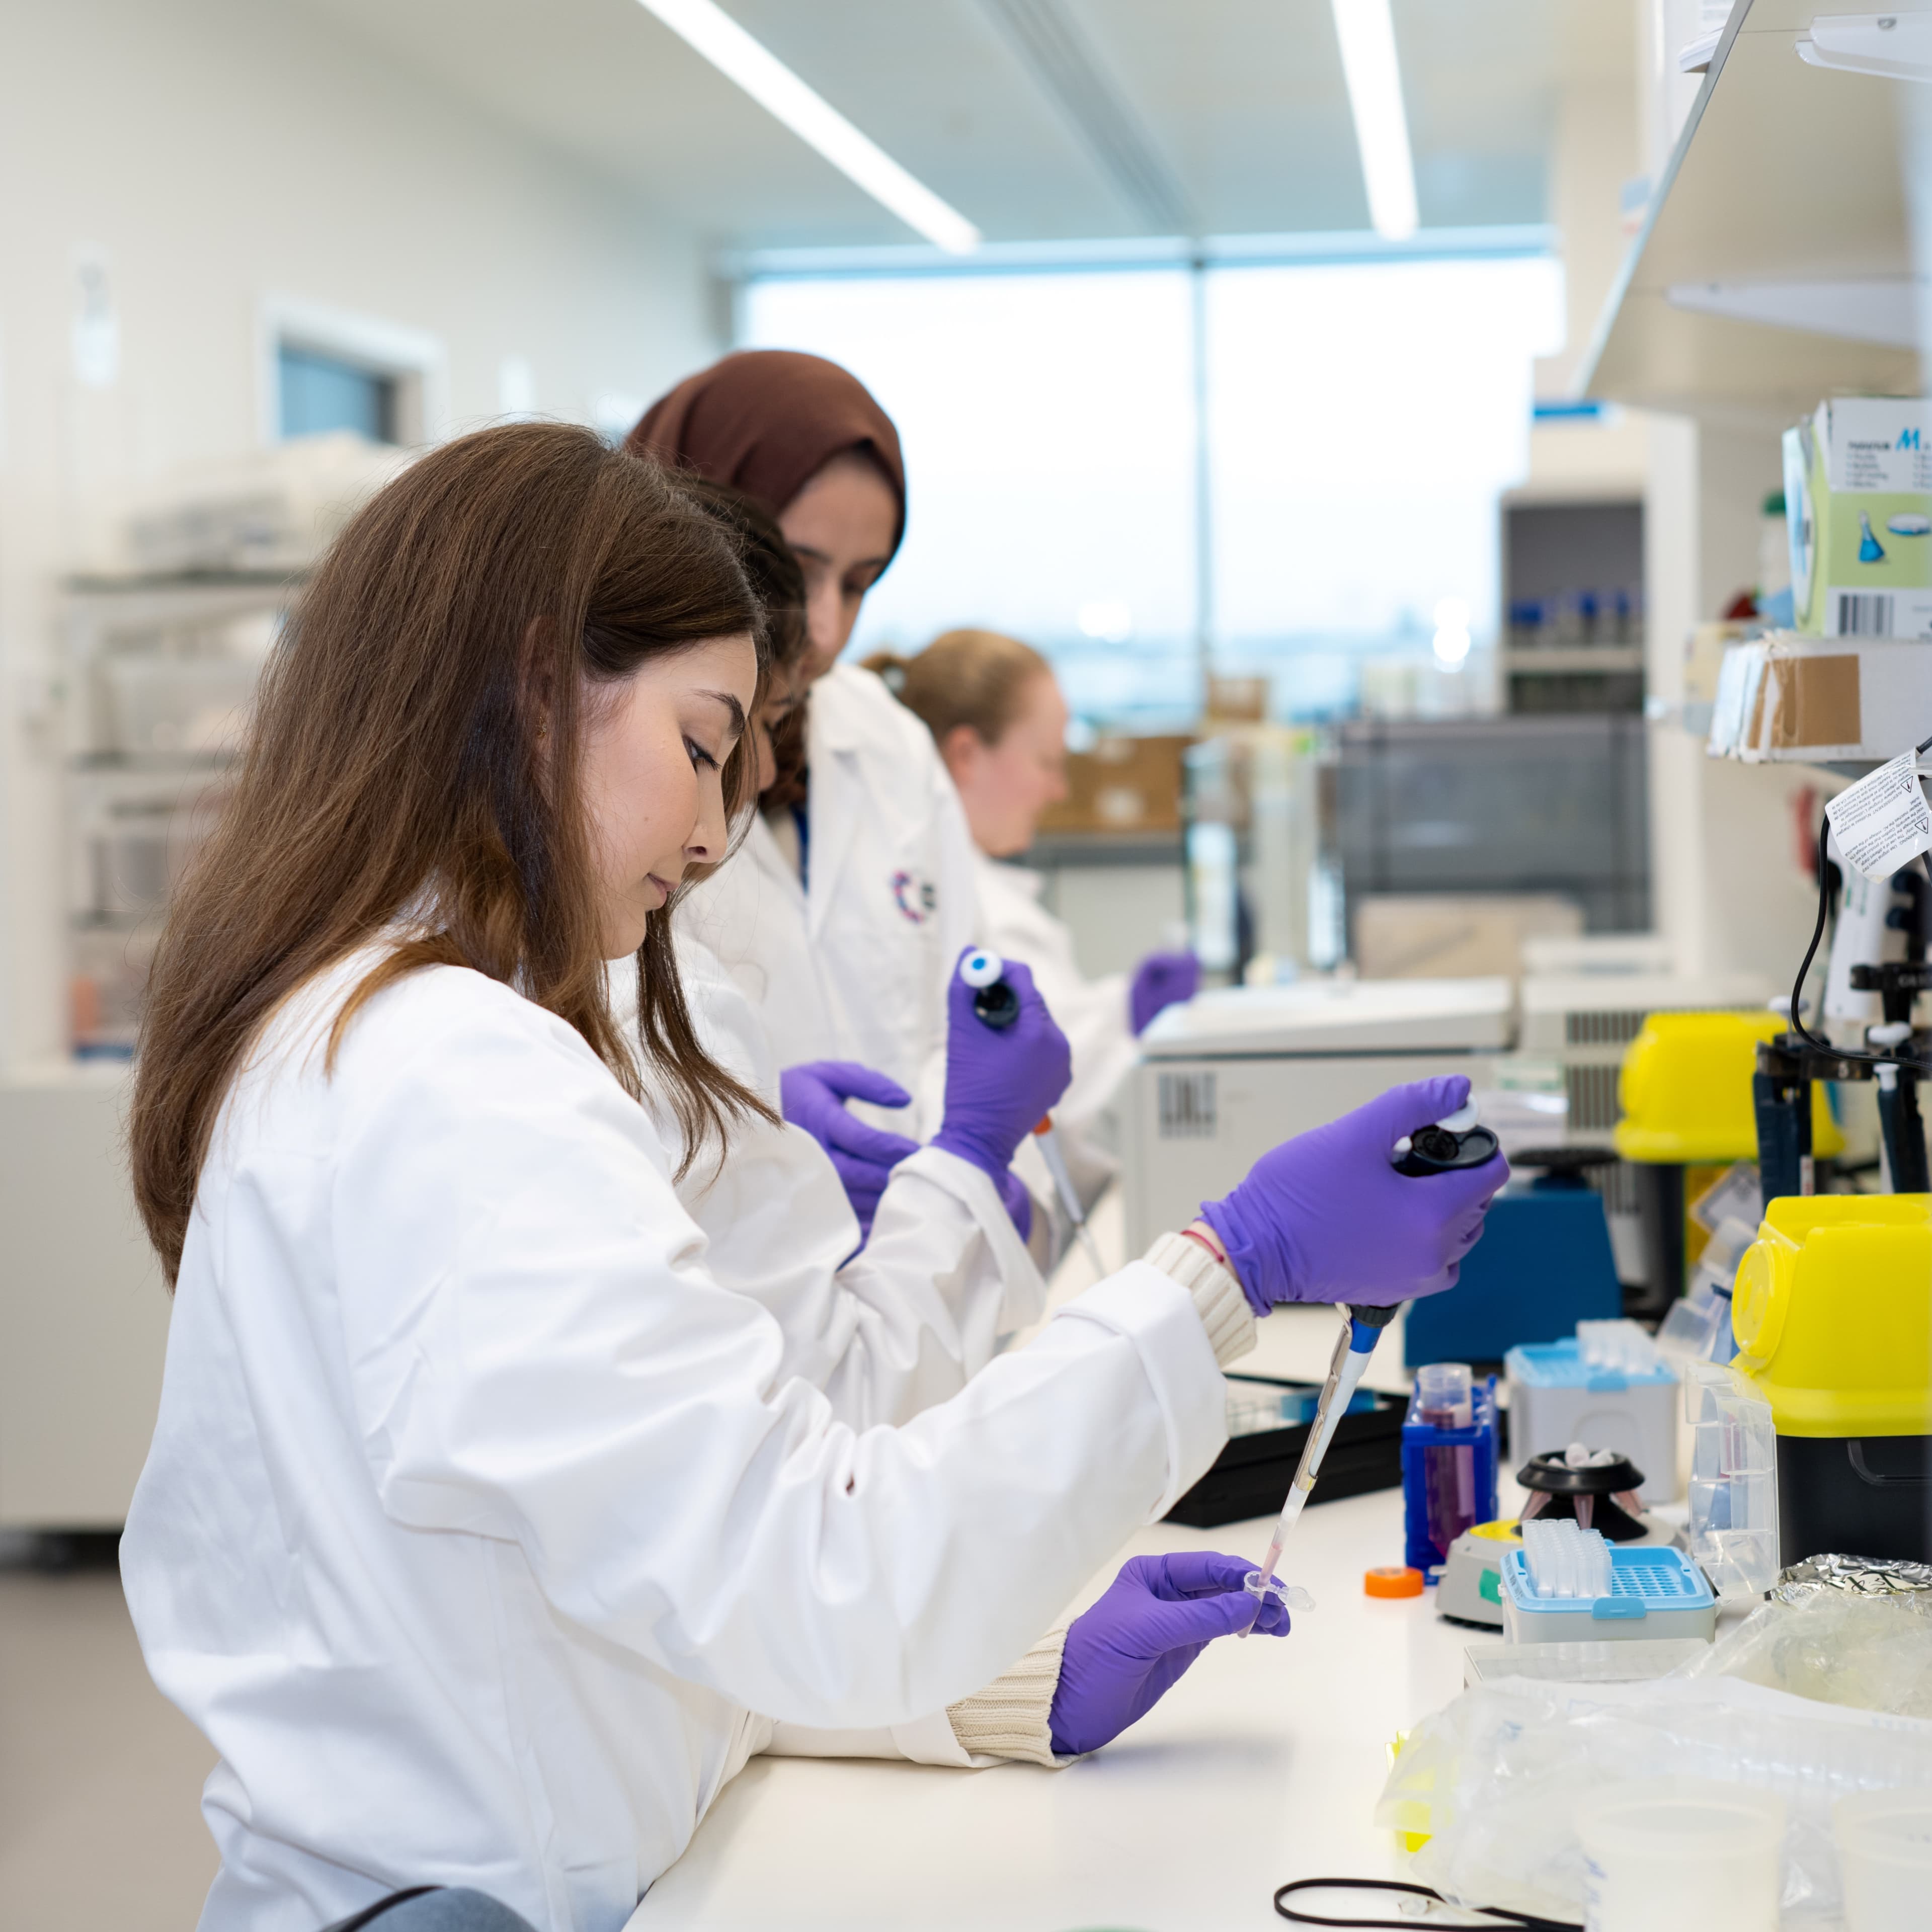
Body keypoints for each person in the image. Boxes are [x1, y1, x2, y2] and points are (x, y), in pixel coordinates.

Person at [117, 424, 1505, 1932]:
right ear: (528, 687)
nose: (716, 833)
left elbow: (607, 1601)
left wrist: (1002, 1687)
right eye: (703, 745)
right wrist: (1231, 1263)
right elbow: (822, 1565)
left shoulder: (360, 1029)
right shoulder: (452, 1080)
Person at [627, 352, 1003, 1233]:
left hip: (905, 1265)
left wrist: (958, 1161)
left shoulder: (886, 744)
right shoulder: (607, 768)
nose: (827, 629)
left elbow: (965, 1006)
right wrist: (750, 1137)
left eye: (861, 583)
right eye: (796, 569)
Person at [871, 628, 1198, 1205]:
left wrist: (1125, 1007)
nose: (1057, 789)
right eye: (1048, 762)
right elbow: (1061, 1096)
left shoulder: (981, 889)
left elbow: (1057, 1030)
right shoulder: (958, 904)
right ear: (966, 755)